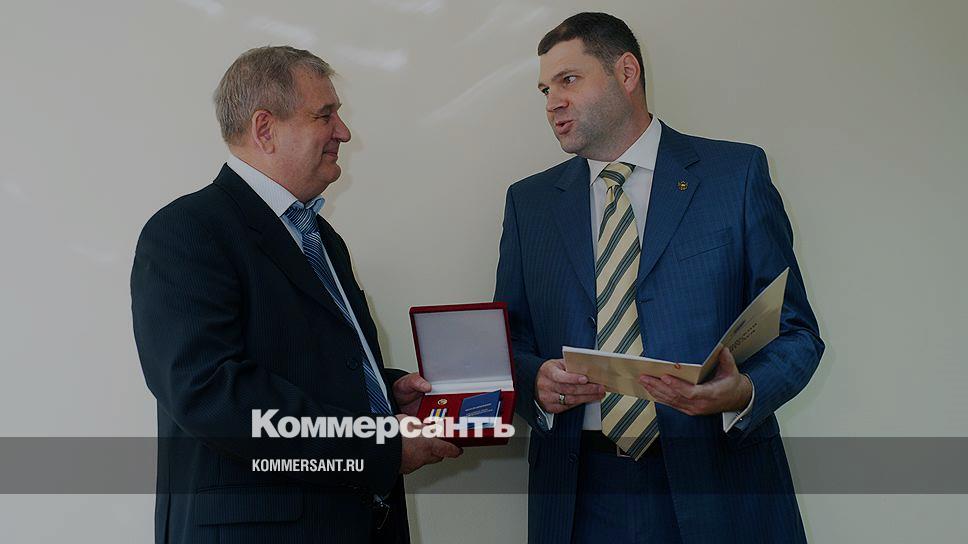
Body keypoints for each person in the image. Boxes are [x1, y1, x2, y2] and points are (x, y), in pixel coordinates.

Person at [494, 12, 824, 543]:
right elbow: (507, 340)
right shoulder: (529, 204)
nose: (552, 102)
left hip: (721, 484)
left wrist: (743, 391)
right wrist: (535, 380)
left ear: (627, 73)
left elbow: (797, 333)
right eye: (545, 89)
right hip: (580, 494)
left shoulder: (735, 176)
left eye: (568, 80)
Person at [131, 45, 460, 544]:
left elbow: (305, 362)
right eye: (325, 116)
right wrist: (379, 446)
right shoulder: (187, 231)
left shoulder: (320, 237)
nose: (343, 133)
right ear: (265, 129)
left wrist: (385, 392)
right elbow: (211, 393)